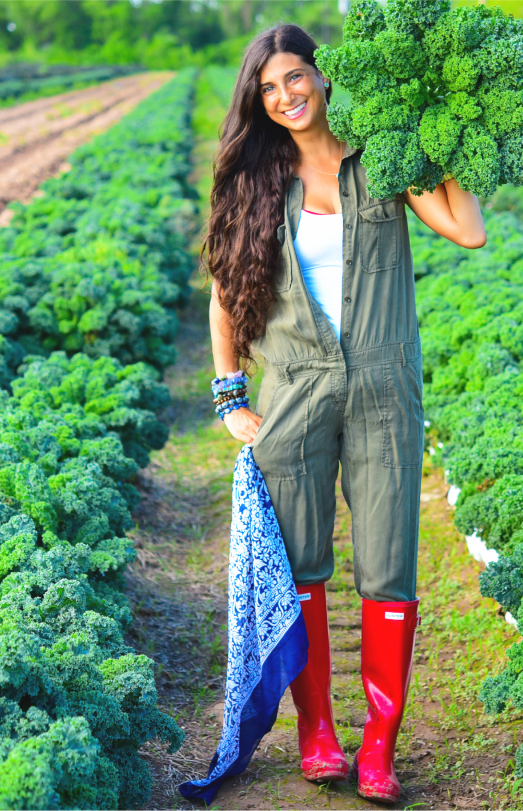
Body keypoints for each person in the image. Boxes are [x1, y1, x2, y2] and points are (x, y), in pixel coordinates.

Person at [202, 24, 487, 804]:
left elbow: (469, 228)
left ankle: (379, 746)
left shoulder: (384, 159)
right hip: (293, 389)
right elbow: (226, 294)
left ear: (323, 78)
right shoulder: (257, 179)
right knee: (300, 565)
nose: (286, 96)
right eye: (269, 88)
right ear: (258, 101)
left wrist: (430, 126)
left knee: (388, 561)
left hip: (384, 388)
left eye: (295, 78)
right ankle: (319, 731)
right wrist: (231, 395)